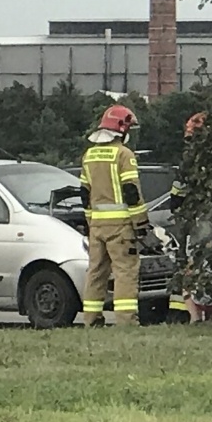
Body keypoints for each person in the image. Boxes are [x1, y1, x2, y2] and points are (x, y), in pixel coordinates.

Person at [78, 104, 148, 327]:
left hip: (97, 226)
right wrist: (141, 224)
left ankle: (91, 319)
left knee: (96, 273)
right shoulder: (124, 154)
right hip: (121, 228)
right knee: (125, 272)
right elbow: (131, 192)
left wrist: (90, 223)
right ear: (122, 128)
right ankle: (126, 322)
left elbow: (84, 194)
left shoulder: (89, 155)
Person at [166, 112, 207, 324]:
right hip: (208, 219)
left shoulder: (190, 161)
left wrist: (176, 206)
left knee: (190, 264)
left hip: (196, 220)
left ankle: (193, 315)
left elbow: (178, 191)